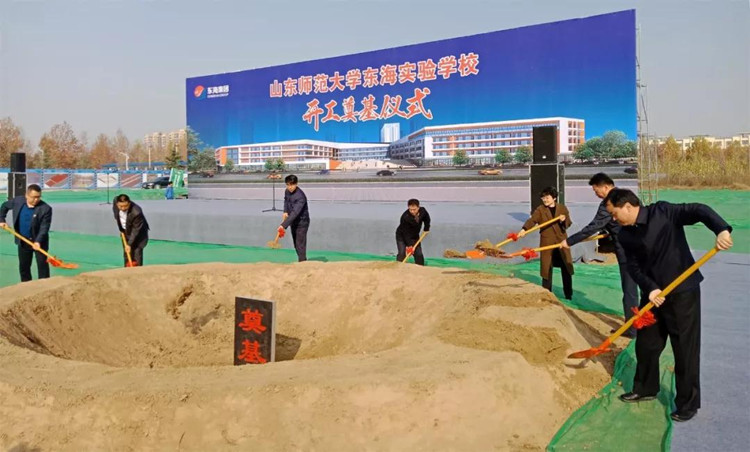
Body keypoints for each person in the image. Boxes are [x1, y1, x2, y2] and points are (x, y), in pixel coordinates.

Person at [605, 188, 733, 422]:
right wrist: (651, 288)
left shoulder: (663, 212)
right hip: (653, 295)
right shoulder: (624, 235)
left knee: (685, 349)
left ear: (628, 206)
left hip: (682, 293)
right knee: (646, 344)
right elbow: (633, 267)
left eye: (614, 213)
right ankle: (645, 388)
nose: (613, 219)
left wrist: (721, 229)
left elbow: (699, 210)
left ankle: (688, 403)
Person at [561, 173, 638, 338]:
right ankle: (643, 323)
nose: (596, 194)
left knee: (630, 290)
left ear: (606, 187)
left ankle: (633, 328)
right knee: (645, 288)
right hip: (640, 246)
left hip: (627, 251)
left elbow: (593, 227)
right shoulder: (627, 196)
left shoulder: (608, 204)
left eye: (596, 191)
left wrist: (569, 241)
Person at [519, 187, 573, 299]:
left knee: (566, 268)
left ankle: (568, 294)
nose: (545, 200)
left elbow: (568, 223)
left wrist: (564, 220)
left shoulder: (562, 208)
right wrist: (524, 229)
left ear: (554, 198)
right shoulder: (540, 210)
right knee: (547, 268)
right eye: (543, 198)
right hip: (547, 242)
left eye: (547, 197)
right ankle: (547, 294)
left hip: (561, 242)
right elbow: (532, 220)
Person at [0, 184, 52, 282]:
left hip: (39, 242)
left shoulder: (46, 208)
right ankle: (26, 285)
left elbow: (44, 228)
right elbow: (4, 206)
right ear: (27, 195)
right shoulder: (18, 201)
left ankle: (44, 286)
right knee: (24, 267)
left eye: (38, 197)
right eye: (34, 197)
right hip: (23, 240)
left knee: (42, 266)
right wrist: (2, 219)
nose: (36, 199)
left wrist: (38, 241)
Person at [113, 194, 150, 266]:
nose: (123, 208)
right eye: (120, 206)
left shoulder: (136, 212)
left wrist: (129, 244)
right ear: (117, 204)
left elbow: (135, 230)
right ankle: (127, 270)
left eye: (125, 206)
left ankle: (137, 271)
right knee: (127, 253)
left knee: (137, 252)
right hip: (125, 231)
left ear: (129, 203)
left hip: (139, 234)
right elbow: (115, 211)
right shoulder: (115, 202)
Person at [280, 174, 309, 262]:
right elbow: (286, 201)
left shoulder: (301, 197)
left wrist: (283, 225)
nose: (290, 187)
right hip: (293, 222)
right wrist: (285, 211)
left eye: (292, 185)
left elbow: (295, 213)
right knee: (296, 243)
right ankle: (302, 260)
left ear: (296, 184)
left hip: (302, 222)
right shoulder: (287, 191)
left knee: (300, 244)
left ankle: (302, 262)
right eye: (288, 185)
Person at [395, 198, 431, 265]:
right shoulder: (405, 217)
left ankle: (420, 267)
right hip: (402, 236)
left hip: (415, 236)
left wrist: (426, 228)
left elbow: (427, 219)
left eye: (414, 209)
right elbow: (406, 233)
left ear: (418, 207)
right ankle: (399, 266)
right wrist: (410, 246)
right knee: (402, 253)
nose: (412, 211)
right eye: (410, 209)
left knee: (419, 254)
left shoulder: (423, 211)